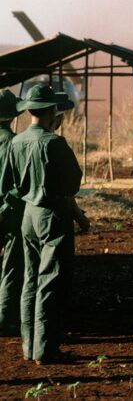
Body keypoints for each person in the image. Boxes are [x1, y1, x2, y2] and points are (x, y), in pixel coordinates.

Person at [0, 83, 89, 364]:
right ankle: (46, 348)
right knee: (50, 280)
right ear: (52, 111)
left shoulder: (15, 142)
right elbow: (73, 182)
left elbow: (10, 183)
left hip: (27, 215)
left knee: (30, 279)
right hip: (52, 215)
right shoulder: (54, 142)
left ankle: (29, 345)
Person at [0, 89, 24, 336]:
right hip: (8, 213)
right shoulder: (12, 142)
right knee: (10, 266)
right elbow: (16, 185)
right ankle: (5, 318)